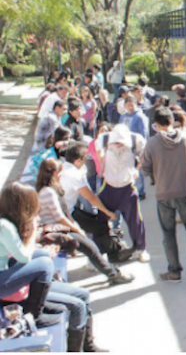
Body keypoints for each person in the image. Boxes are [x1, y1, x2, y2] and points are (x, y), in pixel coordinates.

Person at [35, 158, 134, 286]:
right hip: (56, 230)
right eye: (60, 172)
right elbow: (59, 217)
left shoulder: (49, 189)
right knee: (90, 247)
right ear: (54, 173)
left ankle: (112, 269)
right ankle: (112, 274)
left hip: (60, 227)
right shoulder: (48, 192)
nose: (62, 175)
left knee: (91, 243)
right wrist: (77, 229)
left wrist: (75, 226)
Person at [141, 107, 186, 282]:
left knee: (168, 233)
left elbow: (144, 169)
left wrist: (157, 171)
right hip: (185, 190)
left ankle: (174, 271)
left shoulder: (152, 143)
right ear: (172, 120)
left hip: (163, 193)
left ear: (156, 124)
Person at [0, 183, 54, 325]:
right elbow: (24, 257)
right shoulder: (4, 226)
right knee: (45, 264)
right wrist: (34, 229)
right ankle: (35, 316)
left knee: (42, 254)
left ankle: (44, 295)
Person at [94, 124, 149, 262]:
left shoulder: (136, 140)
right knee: (101, 221)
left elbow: (145, 154)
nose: (118, 144)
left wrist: (137, 169)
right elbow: (98, 153)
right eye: (115, 142)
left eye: (121, 142)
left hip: (127, 186)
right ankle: (100, 253)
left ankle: (141, 249)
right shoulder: (103, 139)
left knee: (135, 221)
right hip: (108, 186)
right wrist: (101, 164)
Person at [120, 95, 149, 200]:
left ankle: (141, 191)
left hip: (136, 146)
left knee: (138, 169)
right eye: (128, 105)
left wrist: (143, 147)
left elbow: (144, 132)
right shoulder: (123, 116)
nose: (130, 107)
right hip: (125, 146)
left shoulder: (140, 117)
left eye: (132, 105)